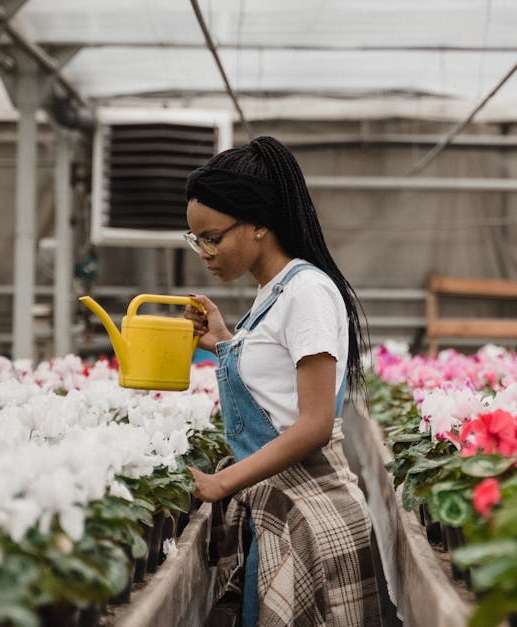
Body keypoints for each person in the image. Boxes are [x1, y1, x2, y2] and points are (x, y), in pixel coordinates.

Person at [180, 136, 380, 626]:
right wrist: (227, 342)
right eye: (196, 239)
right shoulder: (277, 292)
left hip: (308, 513)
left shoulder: (307, 292)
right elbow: (277, 392)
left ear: (260, 224)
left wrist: (221, 481)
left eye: (213, 236)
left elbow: (312, 425)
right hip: (281, 506)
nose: (204, 252)